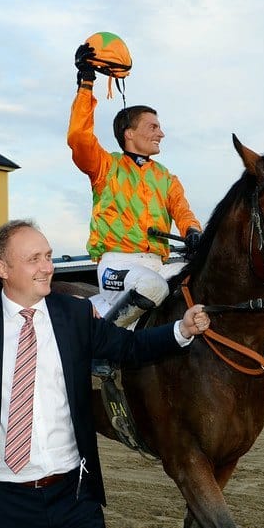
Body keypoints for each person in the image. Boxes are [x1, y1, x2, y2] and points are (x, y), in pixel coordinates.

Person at [0, 219, 210, 528]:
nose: (47, 267)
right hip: (3, 503)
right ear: (2, 268)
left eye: (48, 256)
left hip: (74, 497)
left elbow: (130, 347)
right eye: (34, 259)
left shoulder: (75, 313)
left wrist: (180, 330)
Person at [67, 42, 203, 328]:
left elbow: (183, 212)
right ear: (130, 134)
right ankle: (104, 342)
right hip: (117, 266)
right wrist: (86, 83)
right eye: (153, 127)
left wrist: (192, 232)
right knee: (152, 287)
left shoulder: (166, 177)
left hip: (157, 266)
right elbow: (79, 137)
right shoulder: (105, 166)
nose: (161, 133)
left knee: (205, 277)